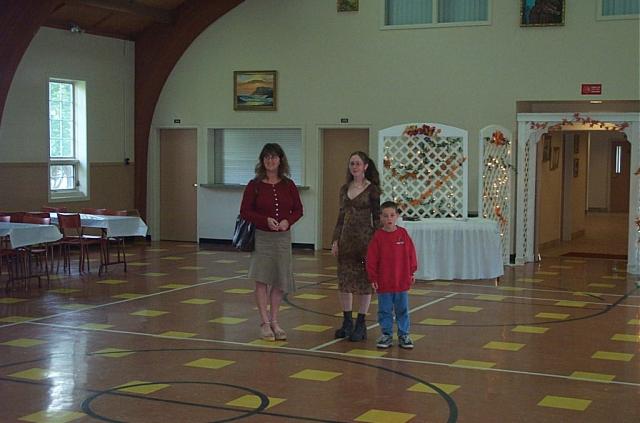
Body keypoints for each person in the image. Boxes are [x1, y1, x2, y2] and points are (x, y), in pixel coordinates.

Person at [240, 143, 303, 341]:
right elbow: (245, 211)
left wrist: (287, 221)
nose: (270, 160)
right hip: (262, 237)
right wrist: (264, 220)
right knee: (262, 279)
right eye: (266, 157)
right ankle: (264, 322)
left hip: (283, 238)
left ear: (280, 160)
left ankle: (275, 321)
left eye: (274, 157)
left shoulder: (288, 185)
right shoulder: (254, 185)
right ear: (262, 160)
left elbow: (298, 210)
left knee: (280, 280)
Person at [331, 151, 381, 341]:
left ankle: (361, 323)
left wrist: (377, 244)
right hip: (346, 240)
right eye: (352, 163)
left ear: (365, 166)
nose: (354, 167)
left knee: (364, 282)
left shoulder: (372, 190)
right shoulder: (344, 189)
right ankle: (347, 321)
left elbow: (377, 218)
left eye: (358, 163)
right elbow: (340, 216)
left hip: (365, 241)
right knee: (344, 281)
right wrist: (335, 240)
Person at [366, 201, 418, 349]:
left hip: (401, 281)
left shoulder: (403, 234)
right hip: (384, 282)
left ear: (397, 216)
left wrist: (411, 272)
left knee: (402, 310)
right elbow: (371, 259)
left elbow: (411, 254)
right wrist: (373, 277)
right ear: (380, 218)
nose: (389, 218)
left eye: (392, 215)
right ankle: (386, 334)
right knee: (384, 310)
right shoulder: (378, 237)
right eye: (385, 216)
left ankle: (404, 335)